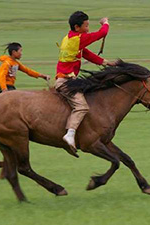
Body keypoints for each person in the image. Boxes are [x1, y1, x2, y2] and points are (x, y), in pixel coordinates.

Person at [55, 11, 116, 156]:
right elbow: (100, 34)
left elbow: (86, 54)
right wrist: (105, 23)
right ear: (77, 27)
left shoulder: (69, 38)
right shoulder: (78, 38)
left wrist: (106, 63)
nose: (88, 29)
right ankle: (70, 134)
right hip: (65, 81)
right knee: (82, 107)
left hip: (68, 79)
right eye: (86, 26)